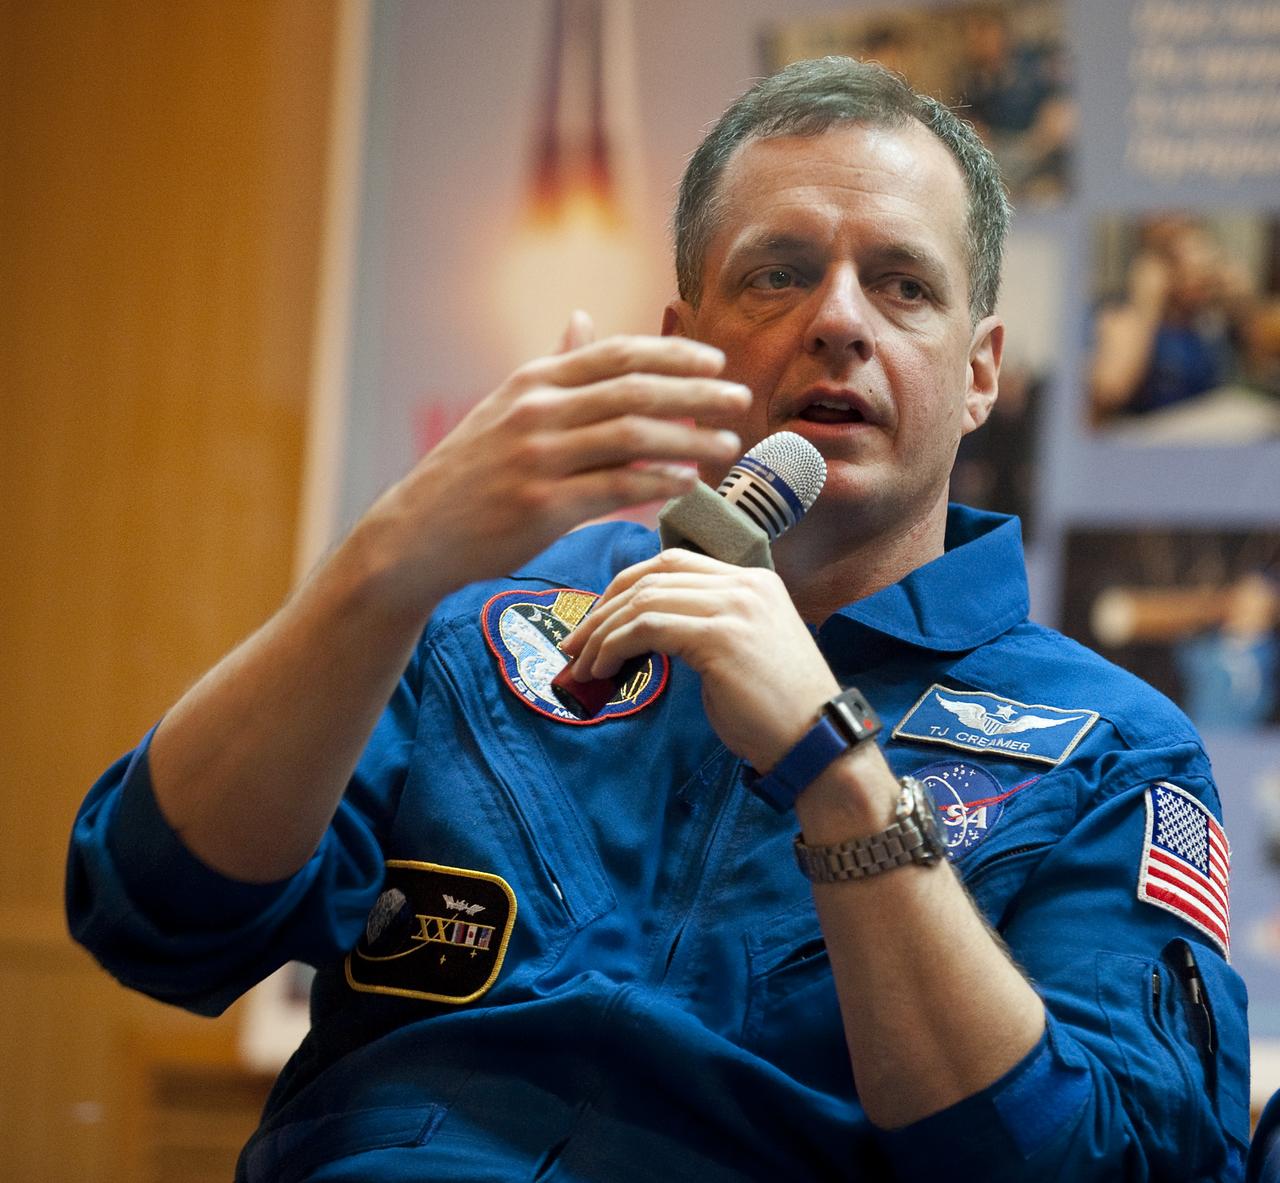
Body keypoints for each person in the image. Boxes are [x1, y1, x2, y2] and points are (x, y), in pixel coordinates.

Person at [67, 57, 1249, 1180]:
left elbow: (1107, 1157)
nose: (839, 320)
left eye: (902, 284)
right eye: (777, 272)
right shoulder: (490, 617)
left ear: (980, 371)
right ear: (687, 345)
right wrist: (382, 567)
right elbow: (150, 912)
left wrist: (834, 772)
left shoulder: (1110, 747)